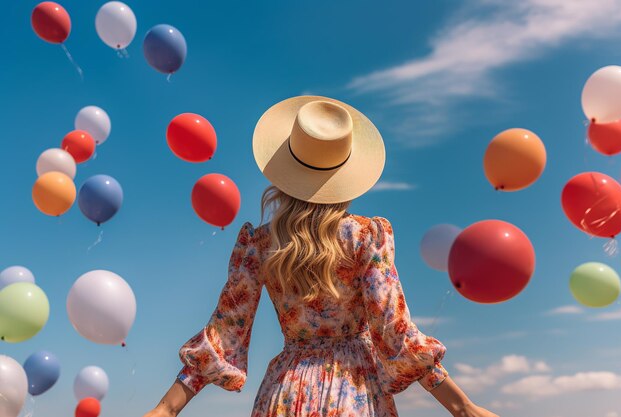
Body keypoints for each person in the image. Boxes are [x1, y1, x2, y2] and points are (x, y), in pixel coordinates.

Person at [143, 96, 499, 417]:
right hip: (354, 391)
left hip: (285, 393)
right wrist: (462, 407)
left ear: (284, 171)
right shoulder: (366, 238)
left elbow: (225, 332)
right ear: (346, 173)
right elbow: (394, 331)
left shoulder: (259, 245)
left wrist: (166, 408)